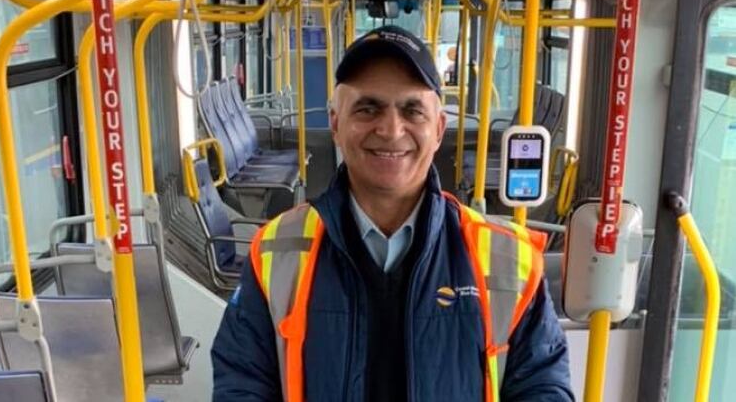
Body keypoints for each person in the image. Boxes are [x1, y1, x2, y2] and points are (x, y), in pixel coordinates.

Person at [211, 25, 573, 402]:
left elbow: (541, 387)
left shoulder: (507, 263)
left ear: (438, 129)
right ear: (336, 124)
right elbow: (243, 383)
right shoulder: (276, 252)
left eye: (412, 110)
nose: (390, 129)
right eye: (368, 108)